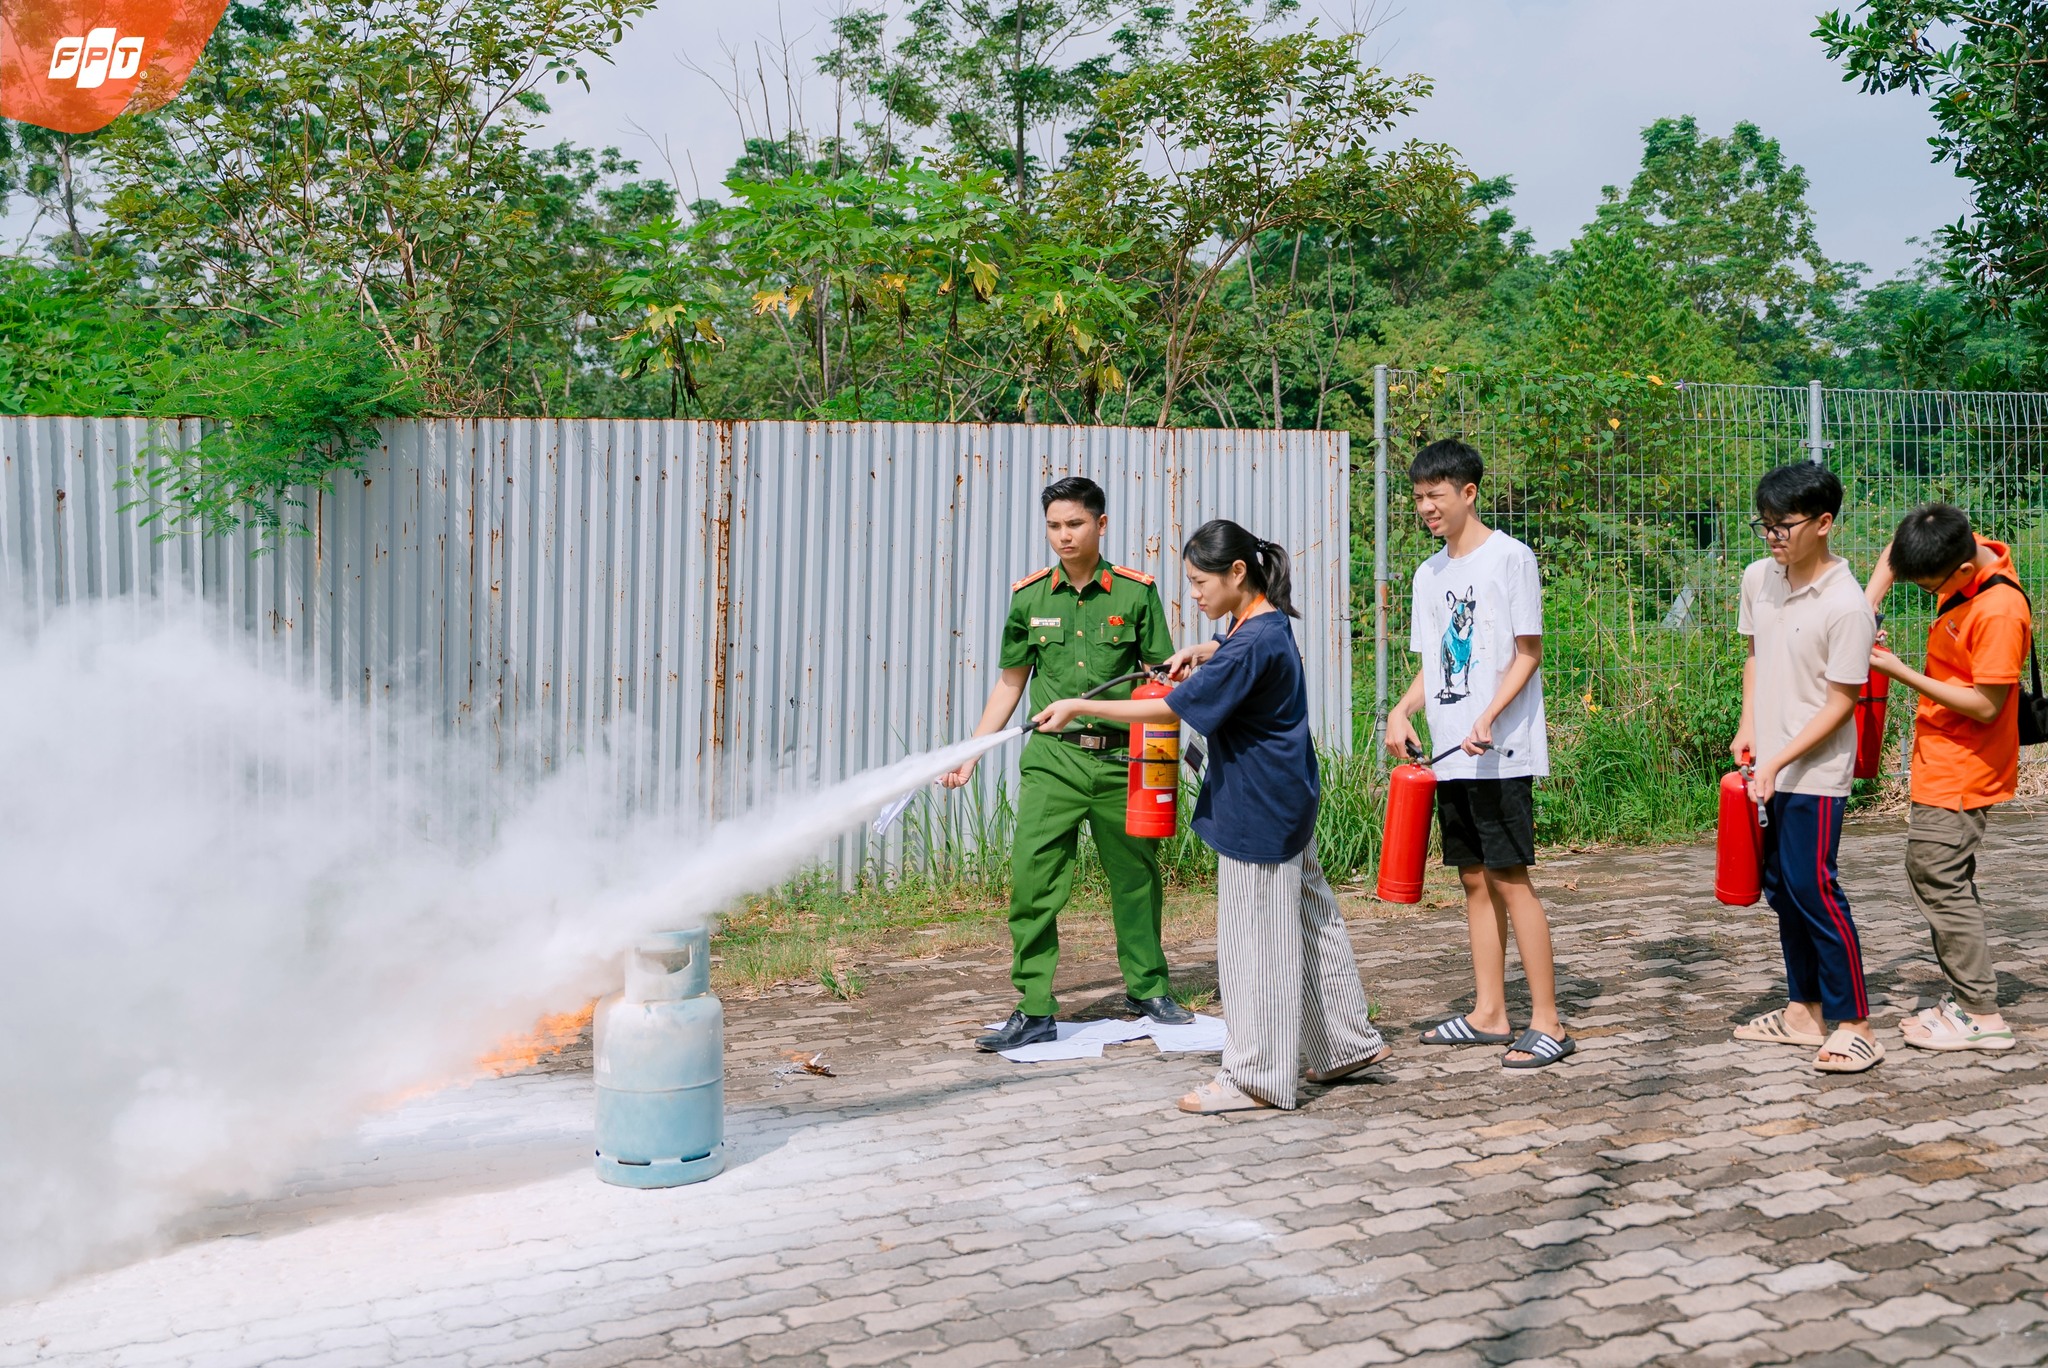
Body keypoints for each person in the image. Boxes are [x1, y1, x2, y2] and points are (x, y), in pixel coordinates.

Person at [1034, 519, 1387, 1113]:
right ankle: (1344, 1043)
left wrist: (1075, 705)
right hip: (1286, 799)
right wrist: (1208, 649)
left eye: (1201, 582)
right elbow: (1237, 654)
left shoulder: (1250, 644)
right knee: (1309, 923)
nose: (1194, 594)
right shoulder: (1262, 625)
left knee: (1256, 946)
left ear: (1237, 573)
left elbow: (1170, 709)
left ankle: (1256, 1077)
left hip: (1257, 810)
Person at [942, 476, 1193, 1052]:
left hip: (1122, 761)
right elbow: (1010, 684)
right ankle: (1034, 1007)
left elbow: (1161, 682)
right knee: (1033, 881)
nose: (1064, 536)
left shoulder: (1135, 594)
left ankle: (1148, 989)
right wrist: (971, 753)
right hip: (1052, 764)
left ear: (1100, 525)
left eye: (1075, 524)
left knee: (1136, 880)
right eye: (1054, 526)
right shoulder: (1030, 598)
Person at [1383, 439, 1570, 1070]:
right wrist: (1402, 709)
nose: (1426, 508)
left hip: (1500, 749)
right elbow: (1433, 665)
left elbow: (1528, 653)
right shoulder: (1428, 574)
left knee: (1510, 877)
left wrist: (1489, 715)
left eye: (1436, 495)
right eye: (1418, 498)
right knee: (1471, 878)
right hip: (1449, 751)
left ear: (1469, 492)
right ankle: (1490, 1013)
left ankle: (1549, 1022)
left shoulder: (1510, 558)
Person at [1727, 462, 1881, 1073]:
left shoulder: (1847, 606)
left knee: (1815, 889)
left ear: (1823, 523)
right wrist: (1749, 727)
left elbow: (1841, 704)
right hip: (1766, 765)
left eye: (1783, 526)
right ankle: (1802, 1012)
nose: (1772, 537)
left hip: (1814, 772)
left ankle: (1856, 1023)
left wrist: (1779, 758)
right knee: (1782, 890)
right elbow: (1755, 656)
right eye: (1764, 525)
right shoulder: (1758, 577)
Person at [1864, 504, 2028, 1051]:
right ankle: (1967, 998)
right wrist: (1867, 606)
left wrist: (1899, 671)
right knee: (1945, 875)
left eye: (1928, 585)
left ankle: (1981, 1015)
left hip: (1965, 765)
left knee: (1936, 875)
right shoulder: (1953, 544)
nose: (1924, 590)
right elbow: (1896, 554)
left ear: (1960, 571)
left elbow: (1986, 704)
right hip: (1940, 755)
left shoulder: (1998, 611)